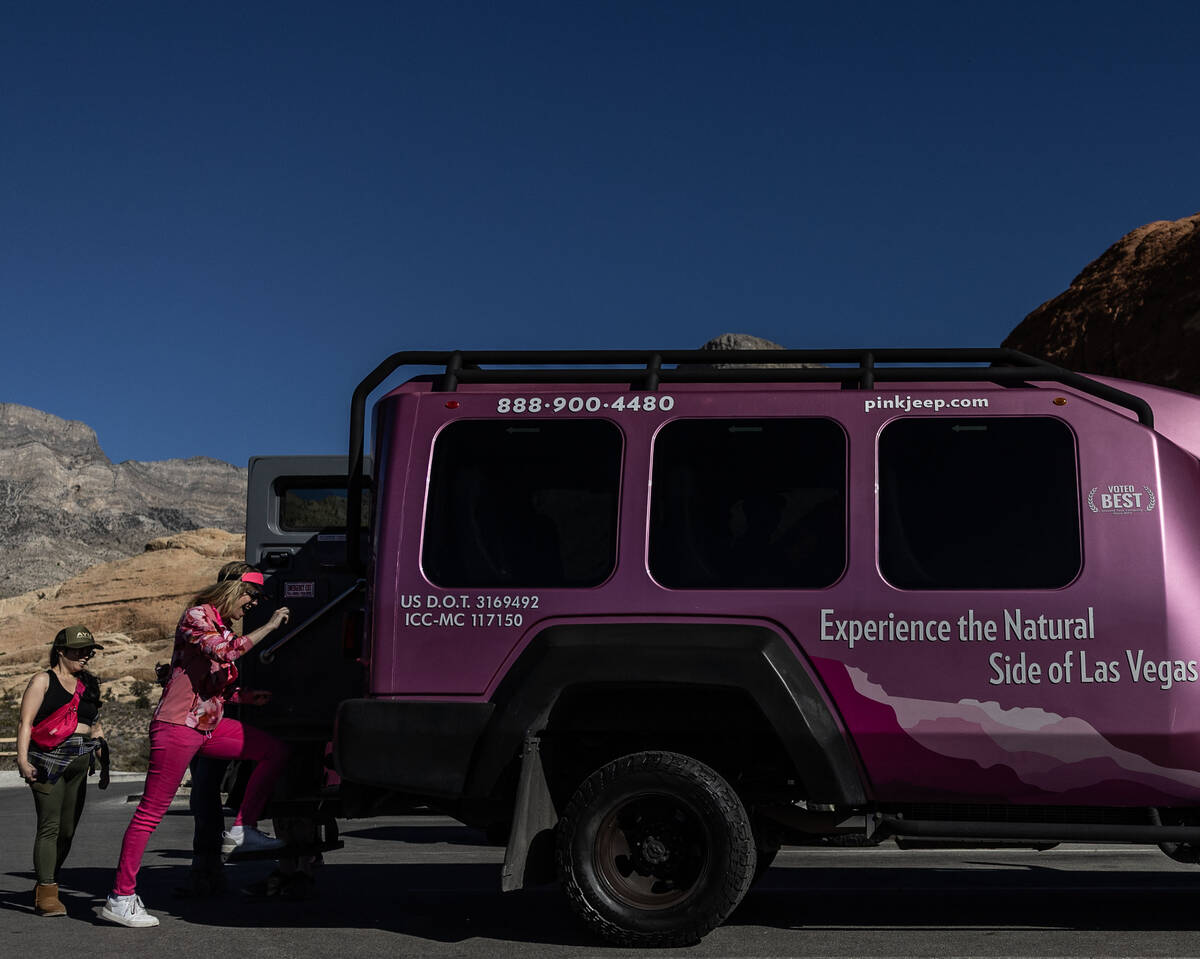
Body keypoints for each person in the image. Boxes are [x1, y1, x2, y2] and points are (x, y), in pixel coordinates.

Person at [102, 570, 291, 928]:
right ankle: (120, 896)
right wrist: (270, 626)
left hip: (208, 725)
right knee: (150, 813)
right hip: (177, 727)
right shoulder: (198, 616)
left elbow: (212, 685)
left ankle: (242, 829)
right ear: (235, 589)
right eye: (250, 597)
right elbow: (225, 652)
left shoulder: (221, 626)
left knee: (273, 751)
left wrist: (246, 698)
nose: (251, 605)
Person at [15, 625, 109, 917]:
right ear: (61, 651)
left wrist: (103, 757)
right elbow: (26, 723)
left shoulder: (89, 684)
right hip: (46, 761)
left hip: (80, 762)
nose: (85, 656)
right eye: (79, 651)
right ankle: (46, 893)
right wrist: (21, 759)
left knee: (67, 830)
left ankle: (47, 879)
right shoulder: (43, 680)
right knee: (50, 826)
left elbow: (95, 725)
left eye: (89, 651)